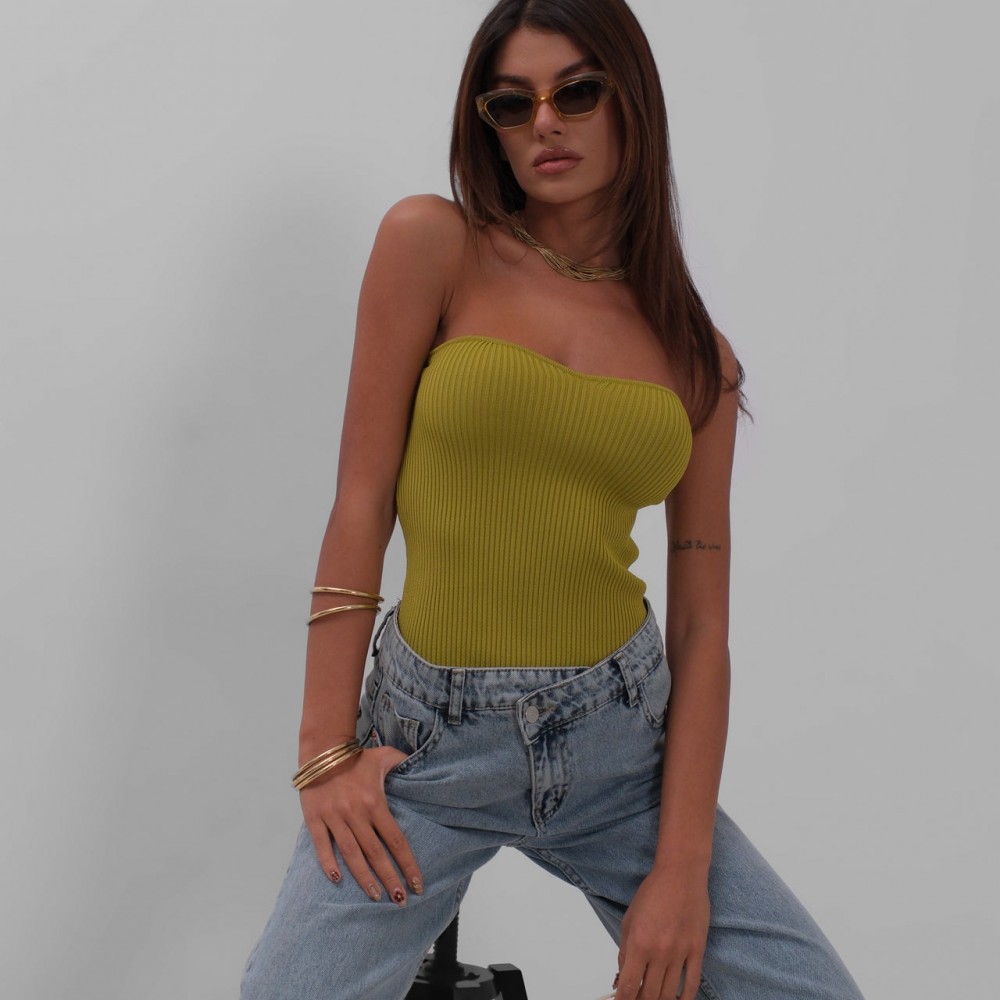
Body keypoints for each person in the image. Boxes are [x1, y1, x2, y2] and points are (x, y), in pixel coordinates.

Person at [241, 1, 865, 997]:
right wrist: (324, 750)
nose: (544, 123)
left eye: (576, 92)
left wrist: (682, 872)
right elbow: (360, 501)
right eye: (511, 102)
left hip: (620, 749)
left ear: (630, 101)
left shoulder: (698, 359)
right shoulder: (433, 245)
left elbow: (701, 629)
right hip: (428, 752)